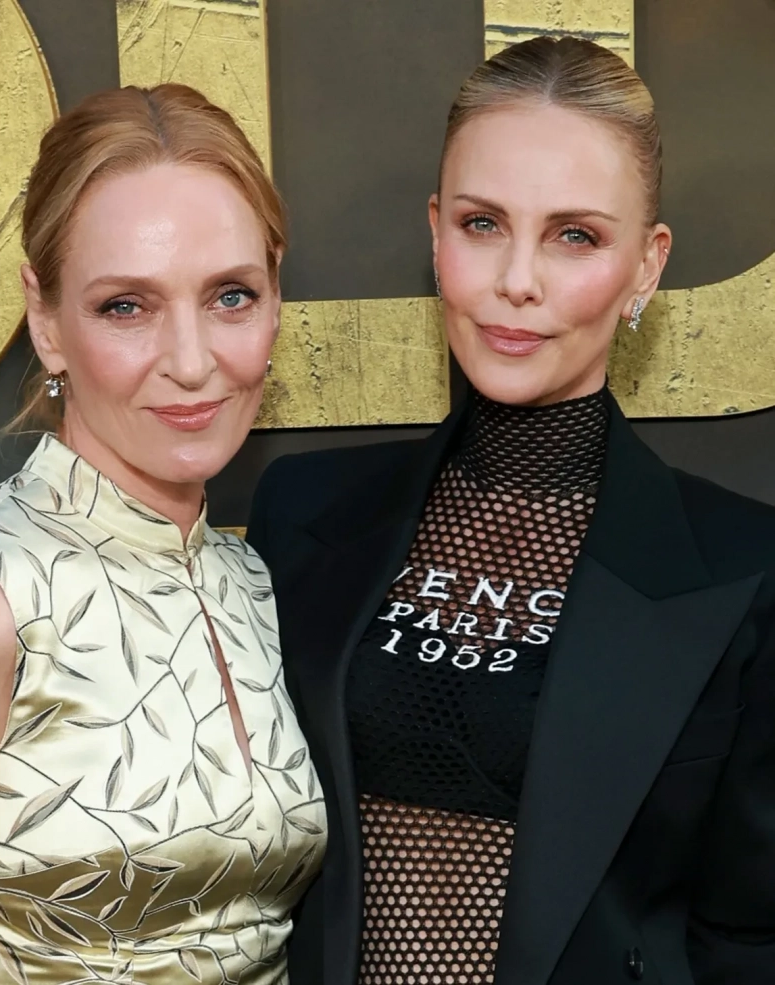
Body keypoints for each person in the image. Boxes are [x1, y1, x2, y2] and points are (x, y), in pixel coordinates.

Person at [244, 37, 775, 985]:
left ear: (647, 266)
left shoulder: (743, 568)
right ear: (436, 232)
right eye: (483, 223)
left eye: (575, 236)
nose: (517, 279)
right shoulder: (304, 513)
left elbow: (748, 934)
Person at [0, 83, 325, 984]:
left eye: (231, 296)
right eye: (126, 306)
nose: (191, 360)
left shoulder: (248, 578)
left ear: (275, 296)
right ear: (46, 320)